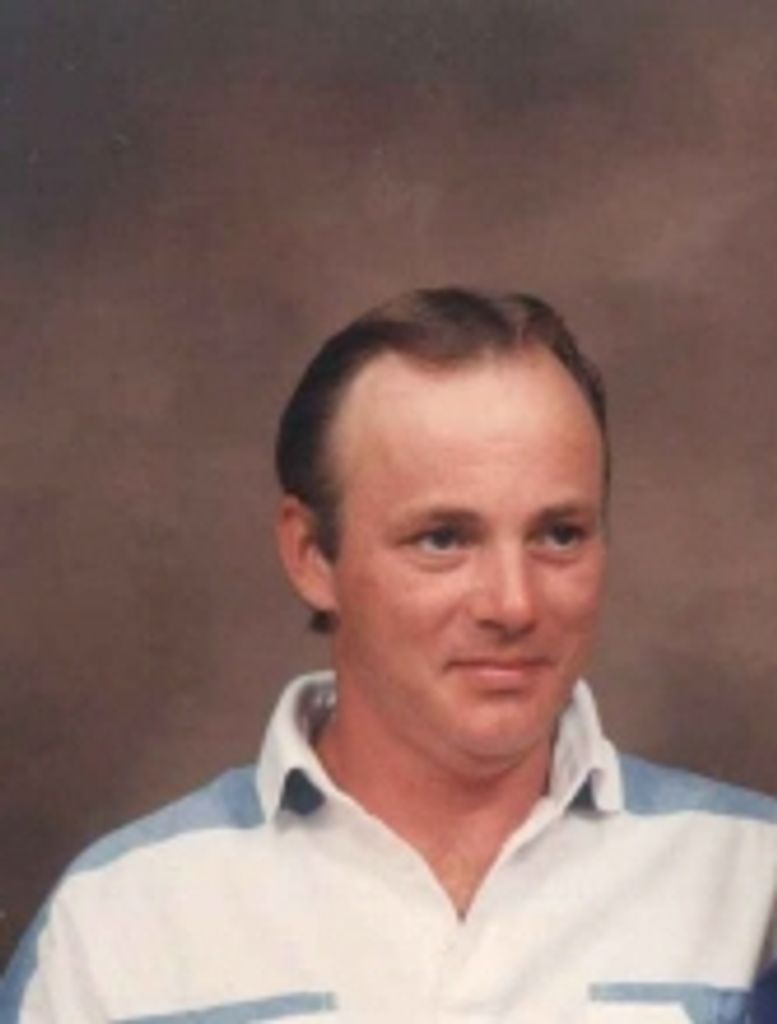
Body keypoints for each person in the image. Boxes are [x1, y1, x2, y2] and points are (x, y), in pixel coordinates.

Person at [2, 287, 775, 1022]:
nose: (513, 604)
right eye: (442, 539)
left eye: (558, 534)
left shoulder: (753, 887)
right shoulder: (118, 924)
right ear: (310, 554)